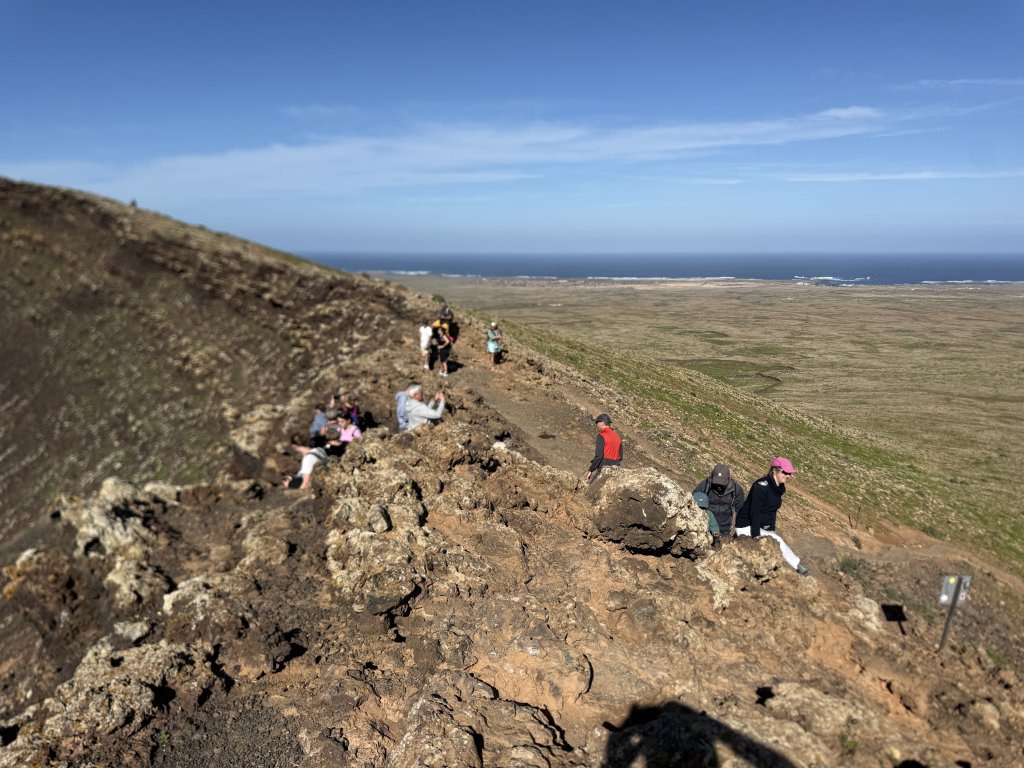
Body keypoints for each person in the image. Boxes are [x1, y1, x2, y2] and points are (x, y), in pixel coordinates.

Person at [734, 457, 810, 575]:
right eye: (785, 472)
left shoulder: (780, 488)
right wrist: (756, 536)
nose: (788, 476)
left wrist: (771, 529)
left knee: (776, 538)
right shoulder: (761, 486)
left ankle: (794, 565)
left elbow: (772, 511)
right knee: (777, 540)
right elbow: (755, 512)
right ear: (775, 471)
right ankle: (797, 566)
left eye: (789, 473)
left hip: (762, 526)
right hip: (747, 526)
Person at [693, 463, 745, 544]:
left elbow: (740, 510)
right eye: (716, 483)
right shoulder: (705, 485)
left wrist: (736, 529)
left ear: (729, 479)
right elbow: (693, 502)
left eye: (722, 484)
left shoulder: (736, 490)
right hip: (705, 527)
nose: (719, 486)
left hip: (725, 530)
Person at [586, 413, 623, 483]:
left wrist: (591, 469)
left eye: (597, 422)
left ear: (602, 423)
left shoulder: (601, 436)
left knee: (592, 488)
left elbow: (599, 456)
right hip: (616, 467)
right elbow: (620, 456)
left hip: (604, 467)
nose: (596, 424)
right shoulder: (617, 437)